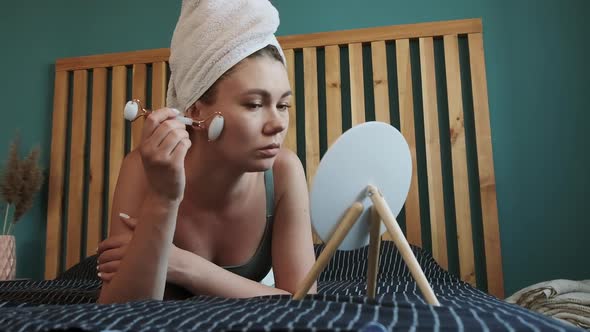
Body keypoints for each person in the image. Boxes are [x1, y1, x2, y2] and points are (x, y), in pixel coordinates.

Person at [97, 0, 317, 304]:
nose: (277, 124)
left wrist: (181, 265)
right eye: (254, 104)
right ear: (196, 110)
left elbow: (304, 302)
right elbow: (117, 310)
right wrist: (163, 197)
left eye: (283, 105)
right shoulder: (145, 167)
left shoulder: (284, 171)